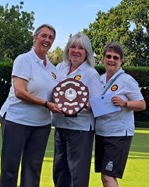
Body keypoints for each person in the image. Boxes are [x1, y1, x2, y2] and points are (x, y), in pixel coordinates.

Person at [0, 24, 61, 187]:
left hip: (42, 124)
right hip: (16, 120)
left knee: (33, 169)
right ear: (35, 38)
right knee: (10, 168)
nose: (47, 40)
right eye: (44, 36)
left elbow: (59, 95)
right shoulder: (24, 60)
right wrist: (47, 104)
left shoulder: (54, 70)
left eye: (50, 37)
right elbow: (20, 91)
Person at [52, 33, 101, 187]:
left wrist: (81, 103)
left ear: (87, 52)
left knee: (77, 175)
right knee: (59, 172)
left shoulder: (91, 74)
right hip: (60, 125)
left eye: (81, 48)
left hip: (80, 129)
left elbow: (98, 106)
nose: (76, 51)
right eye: (73, 46)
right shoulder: (60, 67)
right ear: (68, 49)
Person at [94, 41, 146, 187]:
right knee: (106, 176)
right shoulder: (99, 79)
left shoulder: (127, 80)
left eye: (115, 57)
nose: (111, 60)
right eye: (108, 56)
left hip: (119, 134)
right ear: (103, 58)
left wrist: (125, 104)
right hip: (101, 132)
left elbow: (142, 104)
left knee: (108, 176)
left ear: (121, 61)